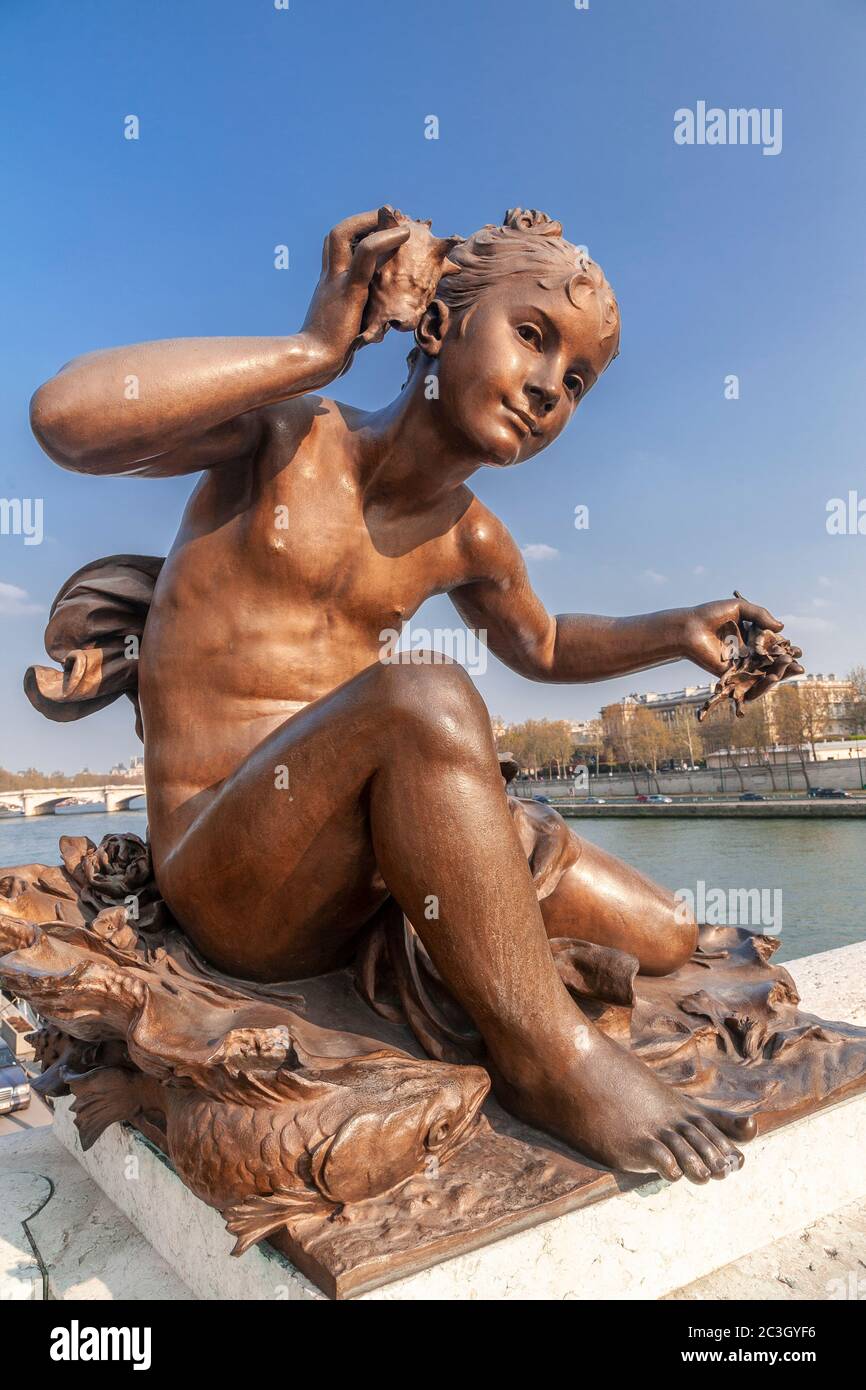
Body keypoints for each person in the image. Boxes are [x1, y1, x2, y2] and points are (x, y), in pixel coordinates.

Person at [30, 207, 797, 1184]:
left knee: (668, 936)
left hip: (369, 848)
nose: (545, 392)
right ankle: (545, 1056)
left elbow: (545, 642)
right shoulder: (286, 433)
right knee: (422, 695)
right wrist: (314, 347)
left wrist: (678, 627)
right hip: (236, 864)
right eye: (530, 335)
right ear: (436, 327)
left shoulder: (468, 536)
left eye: (575, 382)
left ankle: (481, 947)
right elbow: (67, 419)